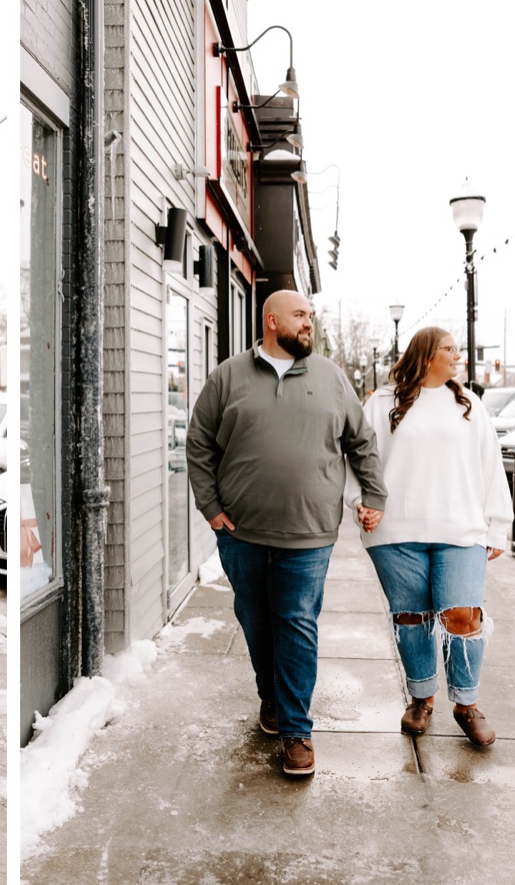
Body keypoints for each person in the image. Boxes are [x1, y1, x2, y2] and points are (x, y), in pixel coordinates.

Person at [186, 290, 385, 777]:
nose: (309, 325)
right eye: (300, 316)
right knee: (255, 620)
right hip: (241, 533)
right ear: (271, 321)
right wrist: (210, 507)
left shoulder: (331, 377)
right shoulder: (229, 376)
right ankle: (271, 699)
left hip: (309, 533)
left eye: (311, 318)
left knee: (296, 623)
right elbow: (199, 443)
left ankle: (297, 730)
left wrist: (373, 497)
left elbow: (362, 442)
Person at [358, 328, 512, 746]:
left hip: (461, 529)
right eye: (450, 349)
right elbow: (358, 458)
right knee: (412, 617)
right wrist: (361, 502)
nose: (458, 356)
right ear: (426, 356)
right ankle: (421, 699)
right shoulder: (381, 404)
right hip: (396, 529)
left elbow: (490, 465)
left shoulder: (467, 404)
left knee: (463, 616)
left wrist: (497, 524)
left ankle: (466, 703)